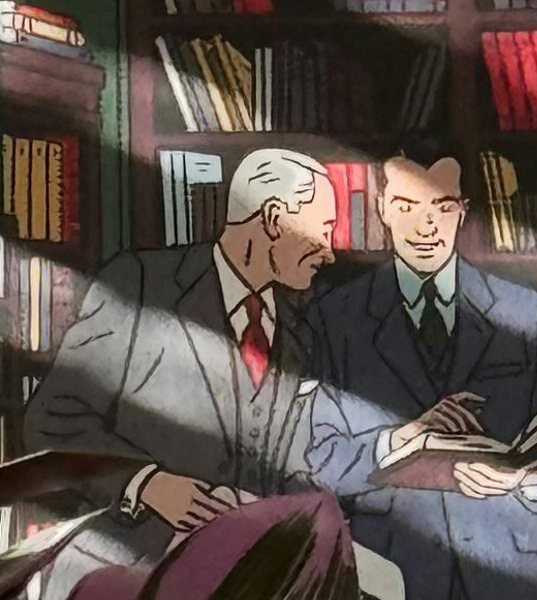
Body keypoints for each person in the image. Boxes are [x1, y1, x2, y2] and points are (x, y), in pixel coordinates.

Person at [306, 149, 537, 600]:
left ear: (463, 211)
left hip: (515, 580)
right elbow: (313, 459)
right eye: (407, 205)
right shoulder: (336, 317)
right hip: (392, 582)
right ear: (380, 208)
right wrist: (399, 442)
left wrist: (524, 480)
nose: (426, 226)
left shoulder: (523, 312)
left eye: (442, 207)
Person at [24, 145, 338, 576]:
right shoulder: (140, 285)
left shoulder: (302, 332)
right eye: (321, 231)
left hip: (246, 586)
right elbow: (52, 421)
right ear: (272, 219)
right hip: (125, 576)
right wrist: (150, 485)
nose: (329, 252)